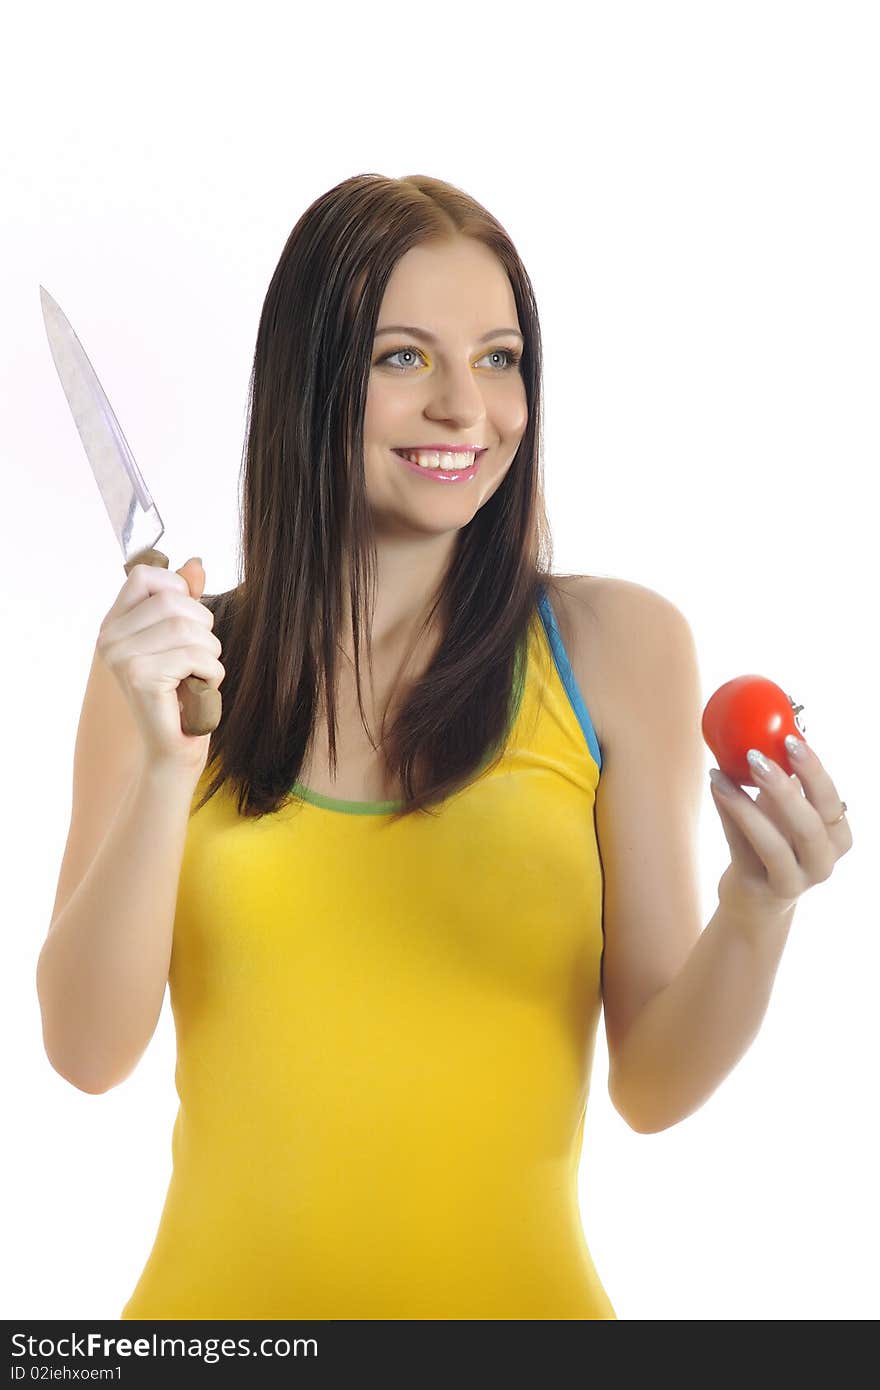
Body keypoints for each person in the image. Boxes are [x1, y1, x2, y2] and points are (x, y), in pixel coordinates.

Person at [37, 173, 851, 1321]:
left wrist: (759, 907)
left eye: (501, 357)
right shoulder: (172, 665)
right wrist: (169, 766)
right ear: (310, 383)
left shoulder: (617, 648)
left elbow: (654, 1084)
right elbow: (85, 1049)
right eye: (404, 357)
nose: (469, 409)